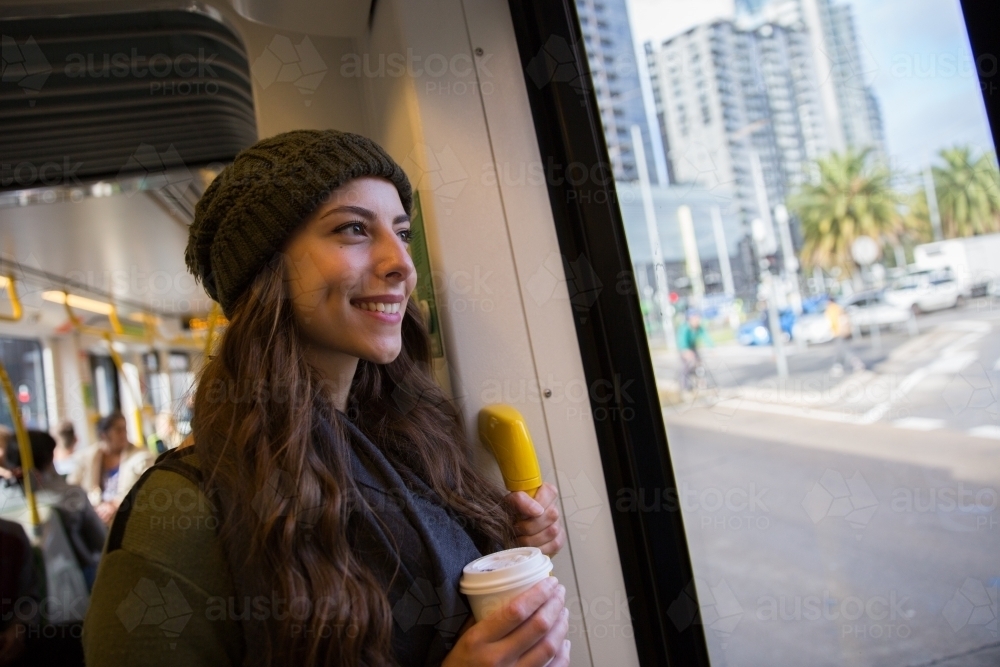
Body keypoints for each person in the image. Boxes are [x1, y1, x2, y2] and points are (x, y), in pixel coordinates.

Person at [83, 130, 569, 667]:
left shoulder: (405, 441)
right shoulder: (178, 516)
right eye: (354, 229)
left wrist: (497, 535)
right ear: (266, 269)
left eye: (402, 233)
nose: (402, 265)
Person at [5, 430, 107, 590]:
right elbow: (100, 542)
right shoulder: (71, 496)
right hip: (71, 582)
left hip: (17, 587)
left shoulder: (5, 500)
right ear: (49, 458)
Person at [68, 413, 153, 524]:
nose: (124, 434)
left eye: (125, 429)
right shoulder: (87, 459)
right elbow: (72, 488)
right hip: (95, 518)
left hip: (128, 517)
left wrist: (116, 504)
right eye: (118, 430)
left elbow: (149, 489)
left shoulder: (141, 457)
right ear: (104, 435)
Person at [676, 309, 712, 392]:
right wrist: (685, 351)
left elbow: (705, 336)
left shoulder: (699, 328)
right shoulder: (685, 328)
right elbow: (682, 340)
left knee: (699, 363)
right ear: (691, 319)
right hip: (684, 348)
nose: (698, 320)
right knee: (686, 368)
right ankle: (684, 387)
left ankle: (701, 383)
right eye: (696, 318)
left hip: (693, 348)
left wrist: (711, 347)